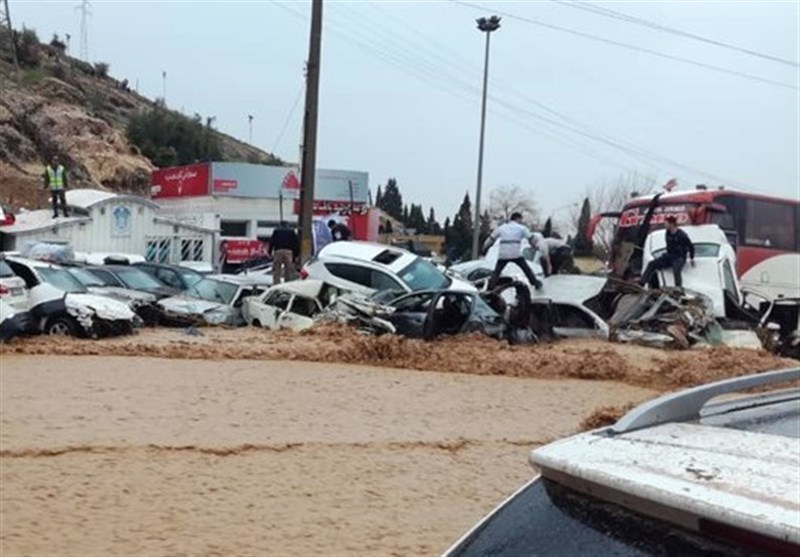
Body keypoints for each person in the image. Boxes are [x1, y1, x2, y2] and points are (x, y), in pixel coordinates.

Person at [483, 212, 543, 290]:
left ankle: (490, 287)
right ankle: (535, 282)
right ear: (518, 218)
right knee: (526, 268)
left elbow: (491, 239)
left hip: (503, 254)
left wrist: (484, 247)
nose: (521, 221)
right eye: (521, 219)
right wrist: (535, 247)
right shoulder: (522, 228)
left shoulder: (502, 228)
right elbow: (531, 238)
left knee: (497, 271)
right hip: (515, 253)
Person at [640, 216, 695, 289]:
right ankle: (642, 283)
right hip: (669, 256)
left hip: (679, 257)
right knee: (652, 264)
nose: (665, 225)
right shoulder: (667, 233)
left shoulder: (682, 235)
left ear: (671, 224)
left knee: (676, 269)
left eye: (666, 224)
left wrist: (691, 257)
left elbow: (690, 246)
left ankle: (678, 288)